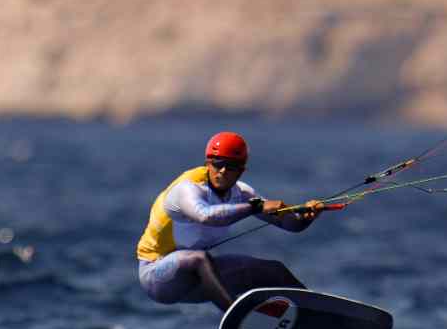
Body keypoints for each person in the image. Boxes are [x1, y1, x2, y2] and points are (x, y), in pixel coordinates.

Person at [136, 131, 325, 311]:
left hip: (198, 281)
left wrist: (305, 218)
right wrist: (256, 207)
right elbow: (206, 216)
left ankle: (318, 313)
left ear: (241, 171)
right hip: (157, 277)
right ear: (208, 164)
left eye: (231, 166)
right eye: (218, 164)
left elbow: (290, 225)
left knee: (275, 271)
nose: (223, 171)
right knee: (199, 258)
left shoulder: (242, 193)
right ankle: (237, 315)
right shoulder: (186, 189)